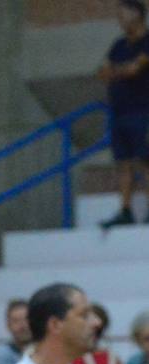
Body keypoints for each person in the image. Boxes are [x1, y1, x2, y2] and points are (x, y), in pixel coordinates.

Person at [98, 0, 149, 229]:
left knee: (145, 162)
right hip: (119, 113)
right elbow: (102, 71)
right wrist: (121, 71)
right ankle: (125, 211)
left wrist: (118, 71)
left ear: (137, 14)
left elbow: (135, 69)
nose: (119, 19)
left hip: (142, 111)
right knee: (123, 164)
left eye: (123, 14)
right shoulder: (118, 45)